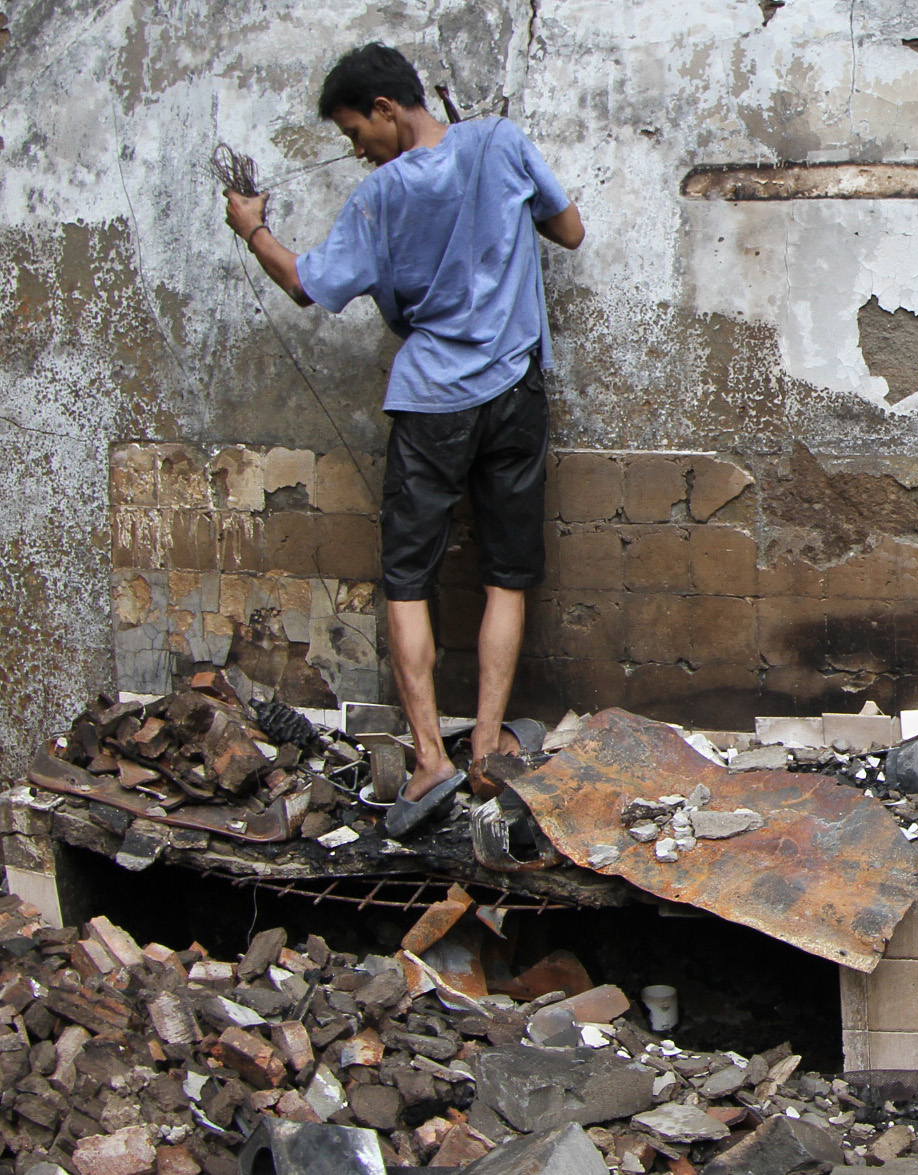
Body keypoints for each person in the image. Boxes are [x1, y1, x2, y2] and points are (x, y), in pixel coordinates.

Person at [221, 42, 584, 837]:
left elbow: (306, 283)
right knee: (507, 573)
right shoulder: (499, 142)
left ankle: (431, 759)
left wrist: (254, 229)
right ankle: (487, 747)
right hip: (516, 389)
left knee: (407, 579)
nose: (357, 150)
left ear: (388, 109)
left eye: (358, 132)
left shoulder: (379, 198)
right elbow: (570, 230)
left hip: (431, 402)